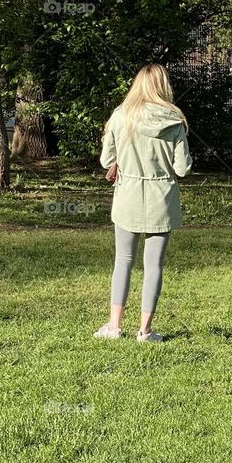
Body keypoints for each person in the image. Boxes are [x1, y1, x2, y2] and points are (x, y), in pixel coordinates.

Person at [95, 65, 192, 343]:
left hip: (127, 195)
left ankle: (114, 327)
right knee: (154, 266)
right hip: (162, 197)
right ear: (163, 86)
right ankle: (145, 331)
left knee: (123, 261)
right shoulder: (174, 120)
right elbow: (182, 168)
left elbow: (105, 160)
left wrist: (118, 163)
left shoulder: (119, 116)